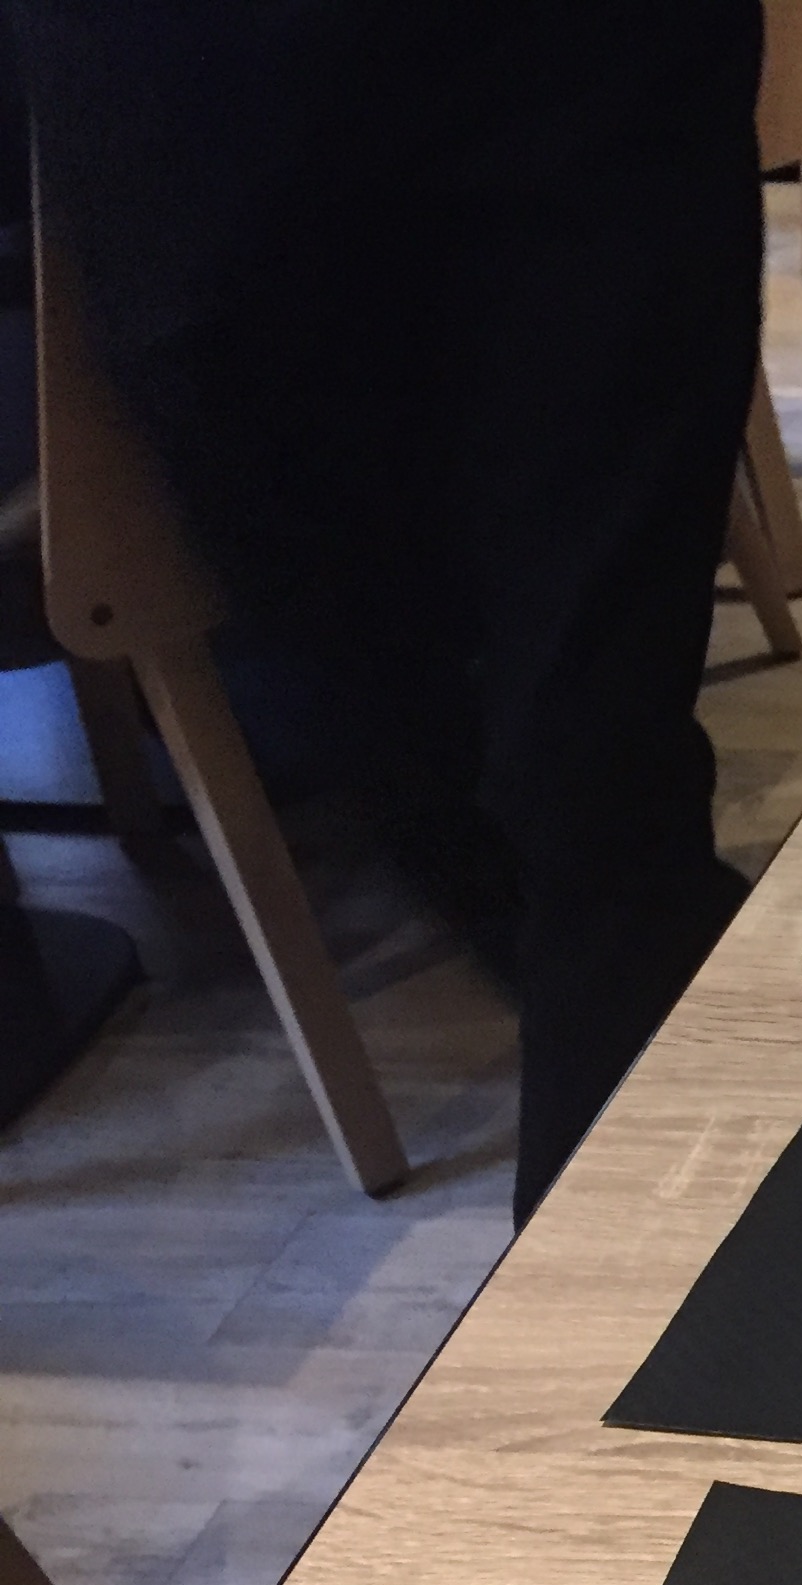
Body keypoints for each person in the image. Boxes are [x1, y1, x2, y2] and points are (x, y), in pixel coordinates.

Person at [15, 0, 763, 1221]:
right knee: (392, 738)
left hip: (576, 68)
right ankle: (673, 1031)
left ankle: (646, 1237)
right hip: (191, 93)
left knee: (598, 785)